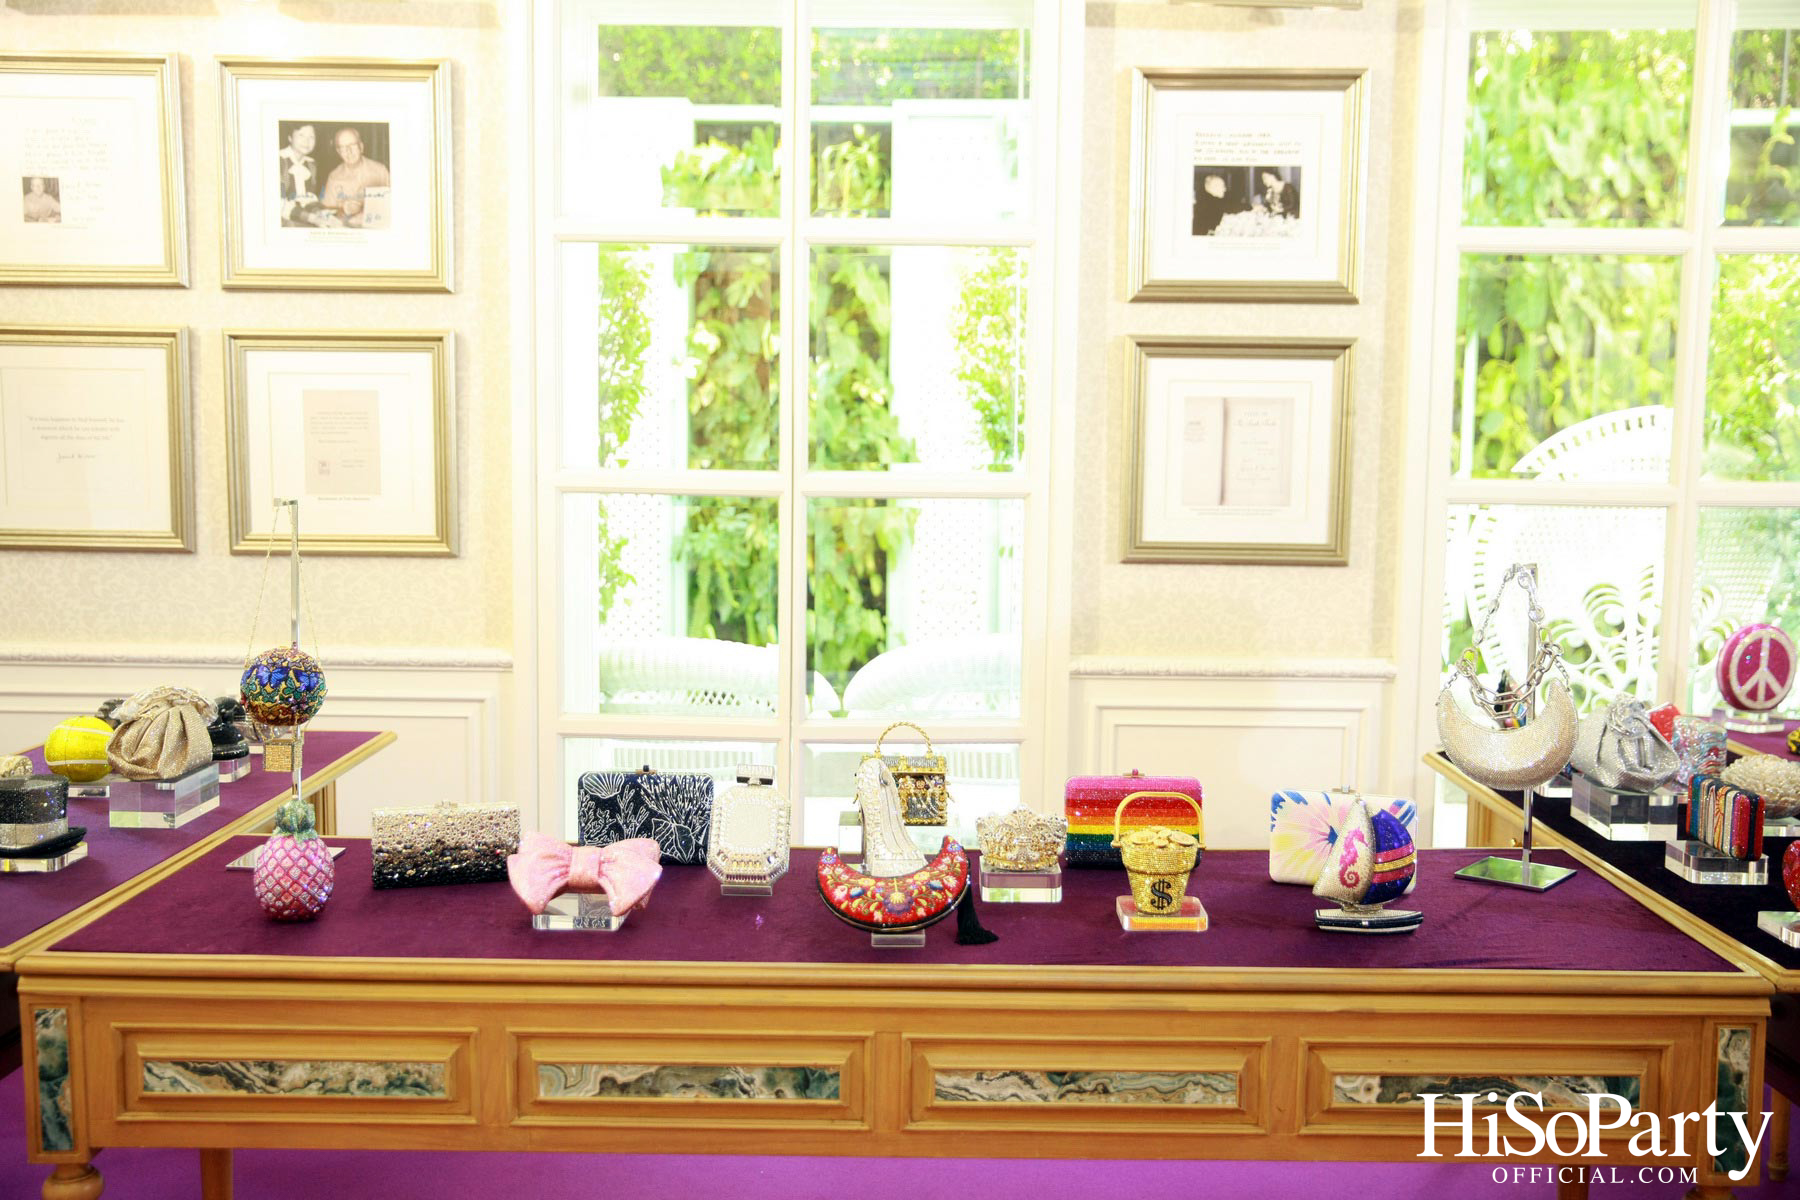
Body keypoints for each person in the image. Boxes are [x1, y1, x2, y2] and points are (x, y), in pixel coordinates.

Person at [320, 127, 390, 228]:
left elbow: (395, 206)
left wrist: (363, 210)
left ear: (361, 147)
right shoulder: (334, 177)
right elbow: (327, 212)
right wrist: (344, 210)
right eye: (343, 148)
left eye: (352, 145)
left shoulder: (380, 171)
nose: (348, 151)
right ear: (339, 152)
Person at [279, 124, 320, 226]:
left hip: (301, 217)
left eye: (311, 137)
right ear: (290, 138)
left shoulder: (311, 164)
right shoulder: (278, 160)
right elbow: (276, 203)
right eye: (301, 135)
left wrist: (319, 212)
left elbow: (309, 197)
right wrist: (309, 217)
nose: (307, 141)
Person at [1191, 170, 1234, 236]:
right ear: (1214, 187)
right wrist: (1251, 207)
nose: (1225, 189)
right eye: (1222, 186)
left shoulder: (1205, 201)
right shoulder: (1212, 203)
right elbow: (1232, 207)